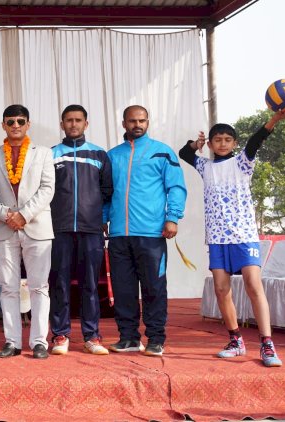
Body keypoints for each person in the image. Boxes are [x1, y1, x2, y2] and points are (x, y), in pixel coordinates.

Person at [178, 108, 285, 367]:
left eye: (228, 140)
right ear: (211, 144)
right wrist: (195, 144)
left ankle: (266, 344)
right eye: (218, 140)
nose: (223, 143)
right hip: (217, 238)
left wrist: (274, 119)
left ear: (235, 143)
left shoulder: (242, 162)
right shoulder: (204, 166)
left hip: (244, 235)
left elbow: (256, 141)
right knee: (221, 289)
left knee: (253, 285)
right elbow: (184, 153)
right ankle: (236, 340)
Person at [105, 105, 186, 357]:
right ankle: (128, 338)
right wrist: (102, 219)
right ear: (124, 123)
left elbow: (176, 187)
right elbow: (106, 193)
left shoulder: (162, 152)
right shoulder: (112, 156)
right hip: (119, 236)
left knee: (154, 288)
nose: (137, 125)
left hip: (152, 235)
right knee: (124, 290)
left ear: (148, 122)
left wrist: (172, 217)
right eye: (132, 121)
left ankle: (156, 339)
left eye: (141, 120)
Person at [0, 104, 55, 359]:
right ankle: (12, 341)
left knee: (39, 286)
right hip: (4, 228)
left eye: (20, 121)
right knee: (7, 287)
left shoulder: (43, 153)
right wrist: (6, 215)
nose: (15, 125)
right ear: (3, 125)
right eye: (10, 121)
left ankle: (39, 342)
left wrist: (24, 215)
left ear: (28, 124)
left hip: (37, 226)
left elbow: (47, 189)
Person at [48, 105, 113, 356]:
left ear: (86, 123)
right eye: (69, 120)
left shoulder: (99, 154)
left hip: (91, 229)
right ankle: (60, 334)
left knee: (90, 284)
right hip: (59, 229)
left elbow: (108, 191)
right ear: (62, 124)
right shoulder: (51, 154)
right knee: (59, 283)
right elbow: (44, 192)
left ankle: (92, 336)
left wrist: (101, 220)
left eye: (78, 120)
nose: (73, 124)